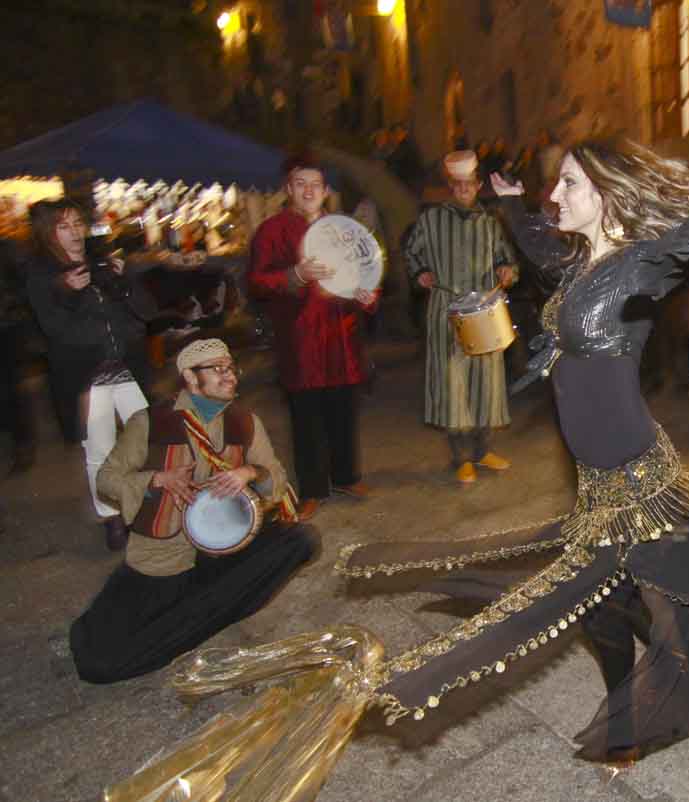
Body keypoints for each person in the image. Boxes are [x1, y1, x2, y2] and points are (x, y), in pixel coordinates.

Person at [338, 100, 689, 761]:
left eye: (570, 182)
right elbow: (542, 250)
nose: (557, 193)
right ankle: (644, 684)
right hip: (598, 483)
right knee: (606, 604)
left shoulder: (645, 262)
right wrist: (517, 206)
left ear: (609, 194)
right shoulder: (584, 262)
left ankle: (406, 683)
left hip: (635, 490)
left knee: (539, 604)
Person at [69, 339, 317, 684]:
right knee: (99, 664)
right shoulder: (152, 423)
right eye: (218, 369)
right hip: (162, 563)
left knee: (301, 539)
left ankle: (198, 616)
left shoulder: (245, 422)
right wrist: (156, 479)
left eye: (231, 368)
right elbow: (107, 481)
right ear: (189, 376)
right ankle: (193, 617)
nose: (229, 376)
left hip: (220, 552)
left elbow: (276, 480)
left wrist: (250, 473)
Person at [248, 154, 376, 518]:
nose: (308, 191)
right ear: (288, 188)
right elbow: (256, 283)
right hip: (300, 340)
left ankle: (347, 475)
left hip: (341, 337)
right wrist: (295, 275)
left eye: (315, 184)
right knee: (306, 418)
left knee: (344, 410)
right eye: (300, 184)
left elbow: (362, 272)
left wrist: (366, 295)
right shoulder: (272, 231)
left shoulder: (342, 230)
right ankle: (313, 487)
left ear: (325, 190)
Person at [26, 199, 155, 550]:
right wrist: (67, 292)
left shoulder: (100, 261)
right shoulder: (41, 276)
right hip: (86, 374)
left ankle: (141, 502)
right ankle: (112, 518)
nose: (75, 233)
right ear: (47, 234)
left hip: (124, 365)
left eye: (77, 224)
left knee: (143, 436)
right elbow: (54, 329)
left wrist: (123, 278)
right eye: (63, 227)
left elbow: (142, 310)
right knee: (99, 446)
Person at [404, 151, 517, 483]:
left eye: (470, 183)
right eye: (458, 184)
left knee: (486, 381)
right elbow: (412, 252)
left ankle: (483, 451)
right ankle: (461, 457)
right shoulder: (430, 220)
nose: (464, 189)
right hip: (446, 308)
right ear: (450, 186)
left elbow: (506, 257)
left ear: (478, 185)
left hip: (484, 308)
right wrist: (421, 271)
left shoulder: (491, 222)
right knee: (453, 382)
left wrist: (507, 270)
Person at [0, 239, 35, 474]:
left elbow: (22, 289)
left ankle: (23, 445)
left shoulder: (7, 250)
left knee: (10, 391)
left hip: (6, 332)